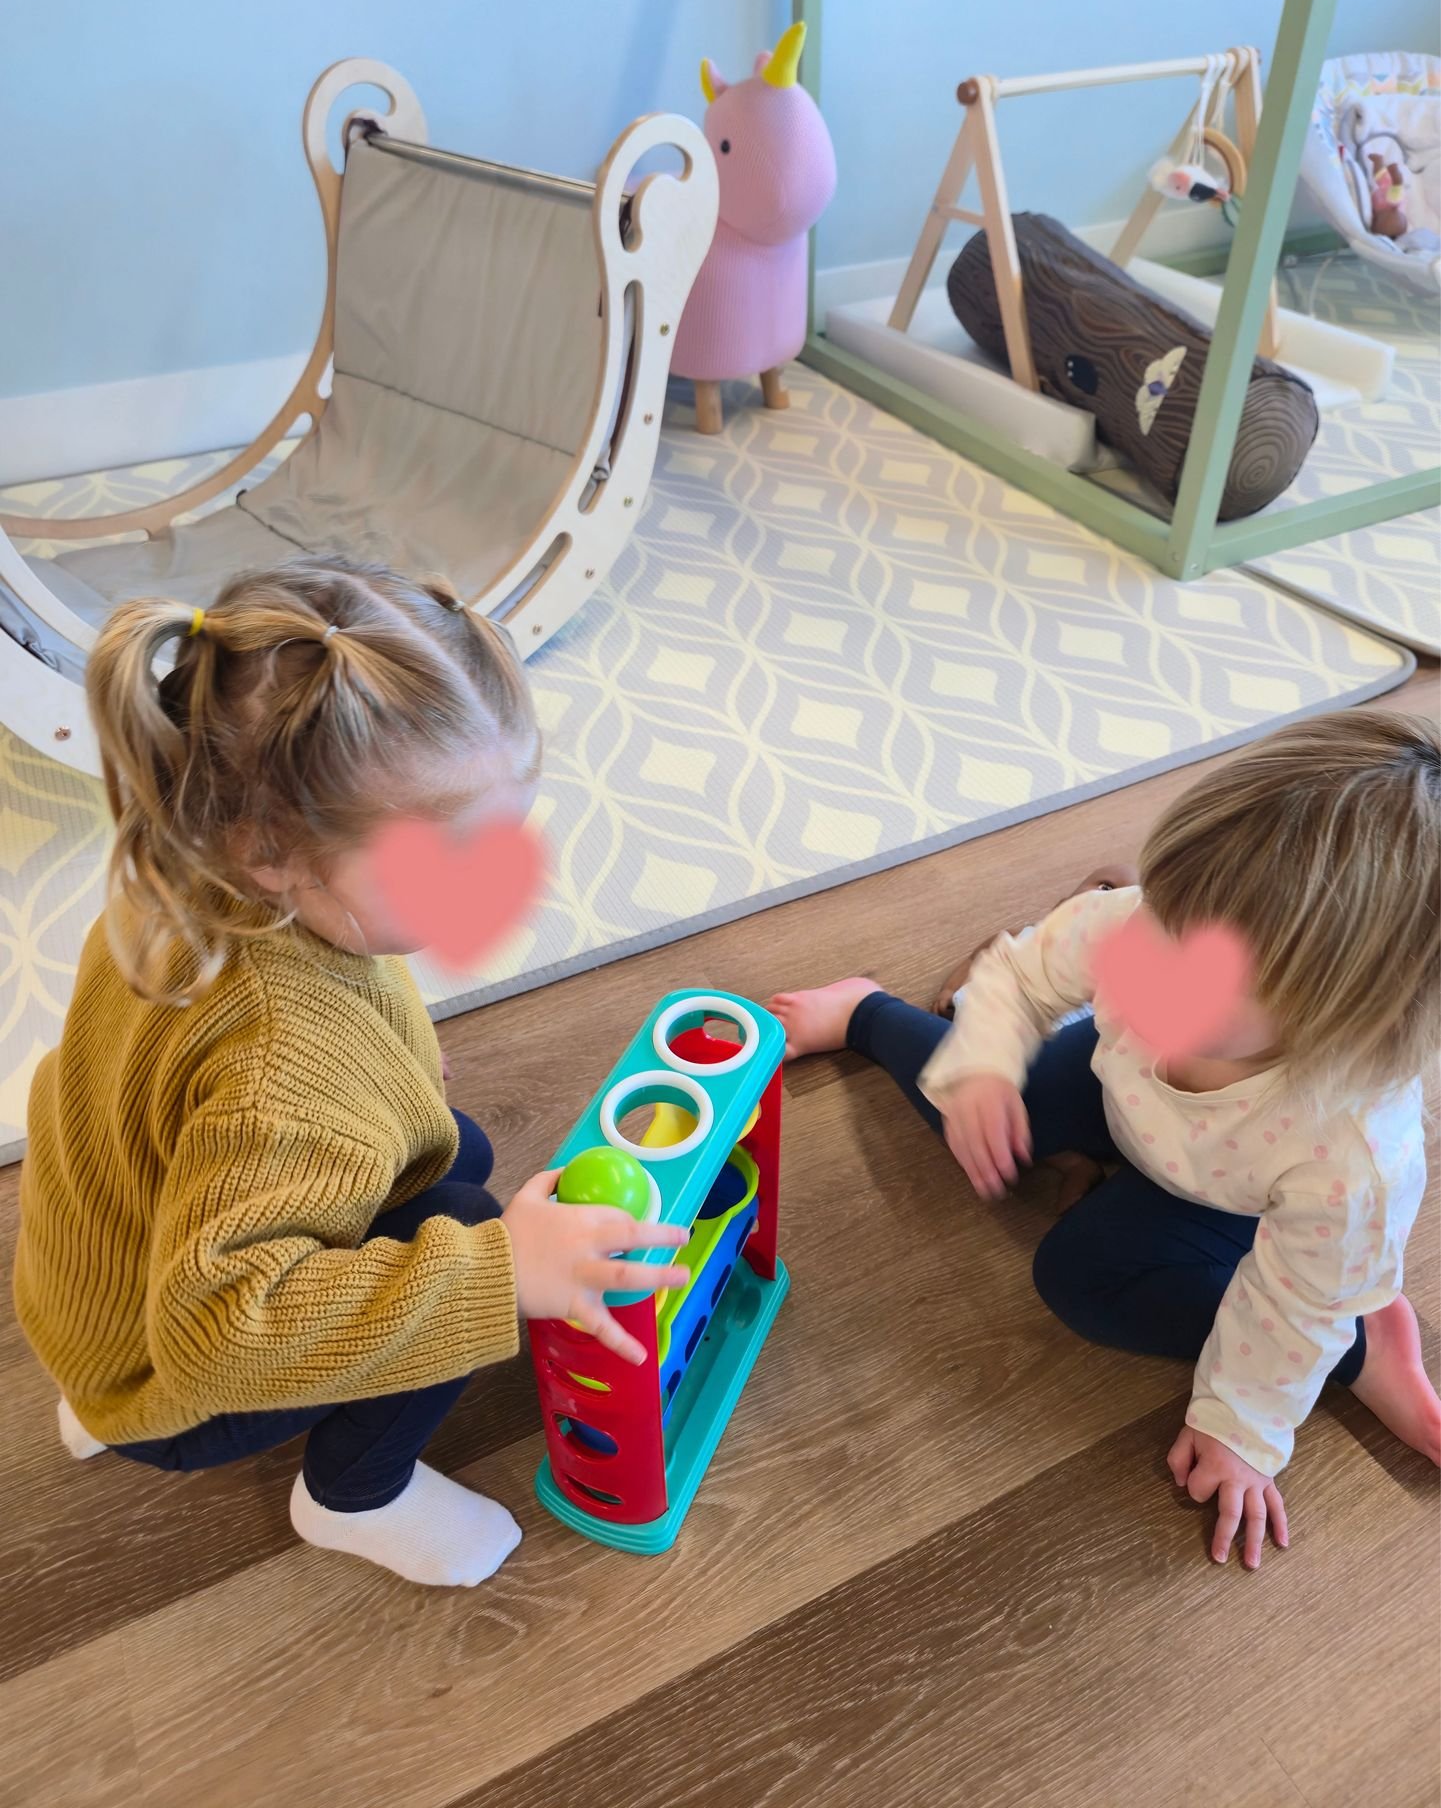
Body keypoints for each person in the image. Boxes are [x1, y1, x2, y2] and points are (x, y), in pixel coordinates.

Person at [13, 555, 688, 1587]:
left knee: (454, 1143)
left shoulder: (174, 871)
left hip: (96, 1287)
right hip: (174, 1365)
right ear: (268, 850)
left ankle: (101, 1399)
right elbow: (216, 1334)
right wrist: (503, 1273)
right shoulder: (281, 1060)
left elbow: (173, 1079)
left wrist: (379, 1065)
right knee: (462, 1218)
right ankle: (353, 1494)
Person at [770, 709, 1441, 1570]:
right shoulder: (1131, 927)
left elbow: (1287, 1305)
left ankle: (1360, 1344)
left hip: (1230, 1196)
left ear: (1344, 1018)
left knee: (1080, 1280)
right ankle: (867, 1011)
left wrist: (1242, 1428)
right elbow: (1015, 976)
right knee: (970, 1108)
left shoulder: (1349, 1158)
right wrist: (980, 1070)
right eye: (1163, 915)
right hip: (1115, 1085)